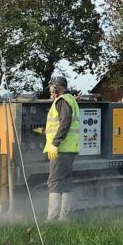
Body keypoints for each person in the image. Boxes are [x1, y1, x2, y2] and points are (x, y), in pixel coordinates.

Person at [43, 75, 80, 221]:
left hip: (61, 149)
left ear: (55, 88)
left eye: (51, 89)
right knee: (65, 182)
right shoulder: (70, 100)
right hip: (69, 148)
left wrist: (55, 143)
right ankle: (64, 218)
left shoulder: (62, 101)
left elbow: (65, 122)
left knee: (54, 182)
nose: (50, 92)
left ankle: (52, 219)